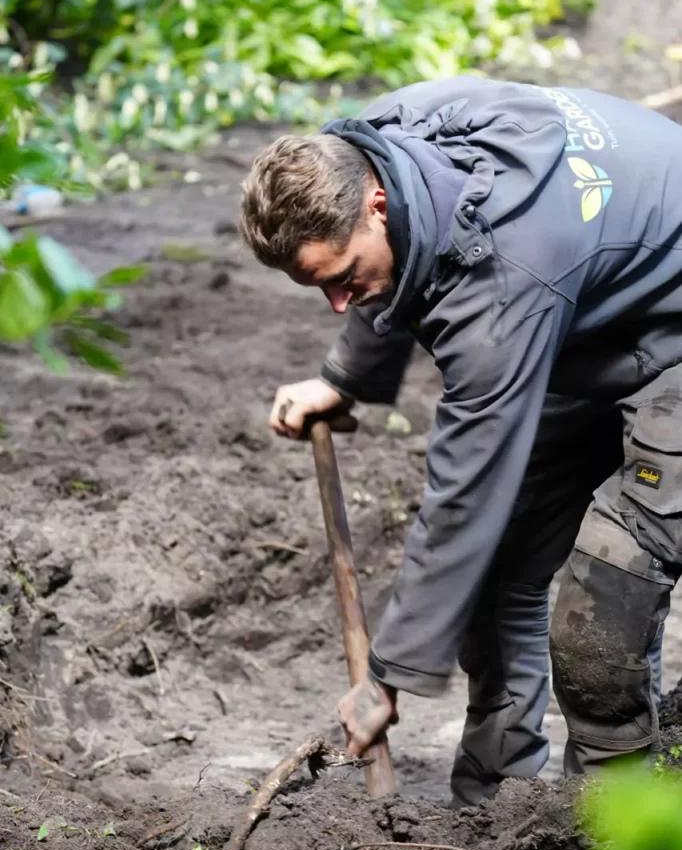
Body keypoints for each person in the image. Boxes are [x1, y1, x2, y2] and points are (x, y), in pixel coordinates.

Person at [239, 76, 682, 806]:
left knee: (609, 591)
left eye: (343, 279)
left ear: (374, 204)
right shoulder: (373, 143)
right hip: (595, 307)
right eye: (319, 287)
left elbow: (464, 493)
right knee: (501, 563)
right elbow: (401, 271)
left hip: (645, 317)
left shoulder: (503, 280)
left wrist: (388, 676)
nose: (338, 303)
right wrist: (345, 376)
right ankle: (494, 807)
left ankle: (612, 836)